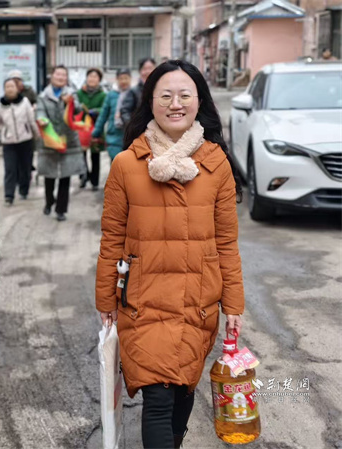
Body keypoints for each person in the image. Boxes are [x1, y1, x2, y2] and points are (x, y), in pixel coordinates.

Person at [96, 59, 244, 449]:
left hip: (198, 301)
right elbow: (111, 238)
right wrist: (105, 299)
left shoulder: (217, 164)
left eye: (184, 95)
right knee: (158, 398)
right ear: (151, 102)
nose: (174, 104)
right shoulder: (126, 165)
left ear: (199, 102)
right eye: (165, 96)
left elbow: (227, 243)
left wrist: (233, 305)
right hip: (142, 302)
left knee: (183, 391)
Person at [37, 65, 86, 221]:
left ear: (66, 78)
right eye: (58, 74)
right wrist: (41, 120)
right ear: (52, 76)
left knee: (65, 175)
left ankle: (61, 210)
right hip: (50, 139)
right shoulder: (43, 95)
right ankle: (49, 201)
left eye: (63, 75)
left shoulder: (71, 93)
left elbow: (78, 110)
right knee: (49, 174)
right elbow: (40, 111)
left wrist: (69, 102)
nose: (60, 77)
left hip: (68, 139)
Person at [0, 78, 40, 205]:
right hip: (9, 143)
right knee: (10, 169)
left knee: (25, 168)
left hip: (25, 141)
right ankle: (9, 195)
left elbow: (31, 121)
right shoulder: (0, 106)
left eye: (12, 86)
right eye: (7, 87)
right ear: (4, 89)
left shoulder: (25, 102)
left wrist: (38, 136)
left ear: (17, 89)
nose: (10, 89)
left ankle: (24, 191)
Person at [92, 68, 131, 162]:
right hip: (114, 138)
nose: (123, 81)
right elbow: (103, 116)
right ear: (117, 79)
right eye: (121, 78)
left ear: (130, 79)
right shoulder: (111, 95)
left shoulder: (134, 94)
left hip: (130, 137)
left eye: (126, 78)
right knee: (115, 165)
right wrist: (96, 133)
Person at [77, 67, 106, 191]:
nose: (92, 79)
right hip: (82, 127)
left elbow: (105, 108)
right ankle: (83, 176)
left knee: (95, 155)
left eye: (95, 77)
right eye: (90, 76)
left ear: (99, 80)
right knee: (81, 154)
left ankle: (94, 181)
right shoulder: (79, 93)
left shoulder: (103, 95)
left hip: (96, 127)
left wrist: (96, 111)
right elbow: (75, 107)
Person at [120, 57, 156, 127]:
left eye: (150, 68)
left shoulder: (161, 90)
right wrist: (133, 127)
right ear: (140, 71)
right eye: (144, 69)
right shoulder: (133, 91)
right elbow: (125, 111)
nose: (148, 71)